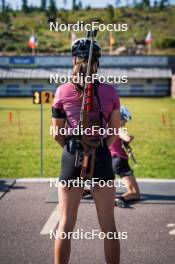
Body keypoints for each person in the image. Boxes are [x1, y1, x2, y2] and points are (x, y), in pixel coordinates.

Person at [52, 37, 121, 264]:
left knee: (65, 225)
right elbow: (114, 131)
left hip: (72, 154)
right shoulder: (111, 92)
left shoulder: (62, 91)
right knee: (109, 227)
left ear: (74, 59)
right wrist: (98, 148)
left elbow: (56, 133)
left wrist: (73, 149)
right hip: (100, 154)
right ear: (97, 62)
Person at [109, 106, 140, 208]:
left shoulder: (105, 127)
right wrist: (129, 137)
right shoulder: (118, 127)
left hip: (108, 160)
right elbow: (126, 138)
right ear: (119, 118)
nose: (125, 123)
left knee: (103, 186)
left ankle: (87, 190)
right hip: (120, 161)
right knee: (135, 192)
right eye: (124, 120)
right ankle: (119, 199)